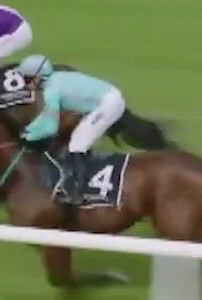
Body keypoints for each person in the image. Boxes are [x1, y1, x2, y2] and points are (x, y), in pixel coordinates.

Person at [16, 54, 125, 204]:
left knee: (77, 144)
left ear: (39, 78)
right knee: (78, 141)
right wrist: (29, 130)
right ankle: (81, 179)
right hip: (107, 100)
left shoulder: (51, 90)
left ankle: (79, 193)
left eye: (27, 80)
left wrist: (29, 138)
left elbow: (50, 127)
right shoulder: (54, 81)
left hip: (108, 104)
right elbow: (46, 116)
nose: (25, 84)